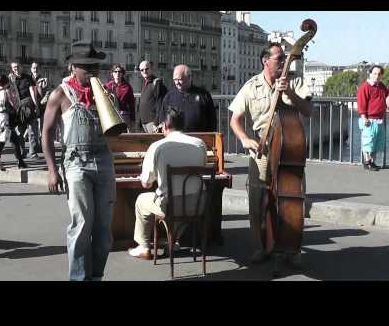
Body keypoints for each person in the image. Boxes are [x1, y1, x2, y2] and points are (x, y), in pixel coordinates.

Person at [228, 42, 312, 265]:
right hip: (263, 149)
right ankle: (260, 246)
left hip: (288, 148)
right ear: (265, 61)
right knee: (257, 201)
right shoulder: (251, 86)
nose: (284, 62)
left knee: (291, 199)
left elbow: (308, 110)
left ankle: (292, 248)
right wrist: (246, 139)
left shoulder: (294, 80)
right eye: (279, 59)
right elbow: (235, 120)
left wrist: (290, 93)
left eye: (285, 58)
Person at [42, 40, 116, 281]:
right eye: (88, 68)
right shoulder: (59, 95)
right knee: (82, 225)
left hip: (104, 160)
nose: (94, 72)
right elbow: (47, 132)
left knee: (104, 229)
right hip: (76, 162)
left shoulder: (102, 93)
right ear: (73, 67)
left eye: (96, 68)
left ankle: (96, 276)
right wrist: (52, 170)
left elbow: (116, 130)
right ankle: (78, 278)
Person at [128, 107, 208, 259]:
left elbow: (146, 183)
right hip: (198, 204)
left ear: (164, 126)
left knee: (141, 200)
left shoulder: (157, 147)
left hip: (170, 206)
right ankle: (173, 242)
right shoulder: (200, 144)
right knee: (183, 202)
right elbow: (202, 168)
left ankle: (144, 246)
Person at [158, 64, 217, 132]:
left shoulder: (203, 95)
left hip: (198, 139)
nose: (177, 83)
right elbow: (163, 120)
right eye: (175, 80)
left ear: (189, 78)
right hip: (176, 139)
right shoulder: (169, 97)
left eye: (179, 79)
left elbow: (212, 120)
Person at [356, 65, 389, 171]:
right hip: (369, 119)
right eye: (375, 73)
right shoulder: (365, 87)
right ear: (370, 74)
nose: (377, 76)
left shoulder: (382, 86)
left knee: (377, 143)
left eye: (379, 74)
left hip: (380, 119)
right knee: (368, 142)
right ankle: (367, 162)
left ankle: (372, 162)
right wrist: (364, 117)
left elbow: (387, 95)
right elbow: (361, 103)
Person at [8, 61, 40, 160]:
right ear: (12, 69)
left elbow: (31, 90)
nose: (16, 68)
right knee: (20, 132)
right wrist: (13, 107)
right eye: (14, 67)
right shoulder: (10, 79)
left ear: (21, 67)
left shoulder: (27, 77)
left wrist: (36, 105)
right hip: (18, 108)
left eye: (17, 66)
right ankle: (22, 152)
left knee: (33, 131)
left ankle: (33, 152)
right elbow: (9, 94)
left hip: (29, 105)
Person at [138, 60, 167, 133]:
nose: (144, 71)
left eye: (146, 69)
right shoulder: (145, 83)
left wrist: (156, 122)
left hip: (152, 123)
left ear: (151, 69)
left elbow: (160, 104)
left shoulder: (157, 83)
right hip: (144, 123)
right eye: (142, 70)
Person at [105, 63, 135, 131]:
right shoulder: (108, 86)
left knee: (124, 136)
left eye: (119, 71)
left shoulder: (127, 86)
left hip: (124, 115)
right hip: (112, 115)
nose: (117, 73)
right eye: (115, 71)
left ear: (122, 74)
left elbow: (132, 104)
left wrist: (133, 119)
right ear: (112, 73)